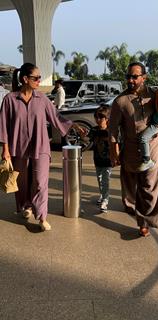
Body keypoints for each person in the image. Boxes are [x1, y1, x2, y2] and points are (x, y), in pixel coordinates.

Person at [0, 63, 83, 231]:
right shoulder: (10, 99)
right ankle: (26, 206)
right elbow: (3, 126)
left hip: (41, 146)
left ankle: (42, 216)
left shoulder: (42, 99)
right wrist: (5, 150)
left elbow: (56, 117)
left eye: (39, 77)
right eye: (35, 78)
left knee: (40, 181)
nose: (39, 80)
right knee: (22, 182)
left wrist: (72, 125)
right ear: (25, 79)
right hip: (18, 148)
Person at [109, 62, 158, 237]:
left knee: (149, 188)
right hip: (130, 153)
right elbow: (112, 130)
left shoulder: (155, 95)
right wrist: (114, 152)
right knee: (130, 192)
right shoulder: (120, 102)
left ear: (144, 77)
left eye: (134, 76)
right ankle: (136, 212)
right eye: (128, 76)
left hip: (152, 151)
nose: (130, 80)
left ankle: (144, 222)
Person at [87, 105, 112, 213]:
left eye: (100, 118)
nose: (97, 120)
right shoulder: (94, 130)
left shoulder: (110, 131)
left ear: (107, 119)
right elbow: (87, 140)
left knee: (105, 180)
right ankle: (102, 195)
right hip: (97, 160)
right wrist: (83, 135)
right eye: (96, 117)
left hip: (108, 161)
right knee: (100, 179)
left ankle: (105, 200)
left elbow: (116, 144)